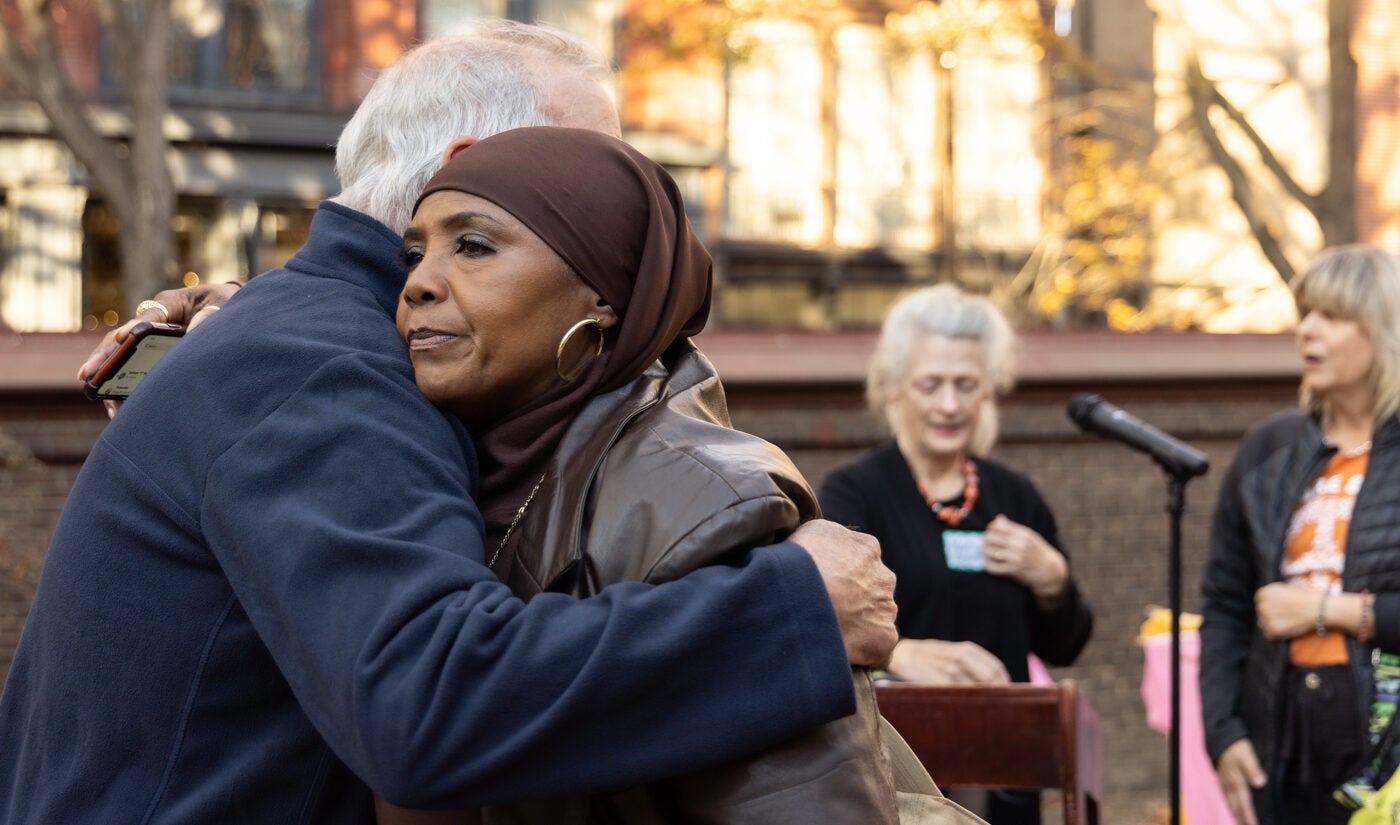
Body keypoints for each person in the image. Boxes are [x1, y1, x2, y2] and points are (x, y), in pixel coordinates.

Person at [0, 23, 898, 824]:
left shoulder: (309, 342)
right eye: (593, 171)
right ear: (470, 169)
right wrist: (792, 610)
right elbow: (425, 703)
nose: (618, 206)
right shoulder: (327, 367)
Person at [371, 124, 960, 825]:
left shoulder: (704, 502)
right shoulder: (440, 466)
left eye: (473, 246)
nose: (420, 284)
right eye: (415, 252)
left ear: (602, 293)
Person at [819, 283, 1093, 825]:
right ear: (894, 389)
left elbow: (1068, 643)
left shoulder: (1014, 497)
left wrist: (1054, 581)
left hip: (1006, 779)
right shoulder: (854, 494)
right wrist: (900, 655)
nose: (949, 405)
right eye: (931, 385)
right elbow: (820, 626)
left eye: (966, 385)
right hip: (897, 778)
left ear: (988, 391)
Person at [1201, 245, 1400, 825]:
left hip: (1383, 738)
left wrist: (1325, 610)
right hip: (1280, 736)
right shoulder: (1269, 450)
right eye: (1305, 313)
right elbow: (1225, 603)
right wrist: (1223, 733)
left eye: (1331, 316)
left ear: (1383, 330)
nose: (1306, 330)